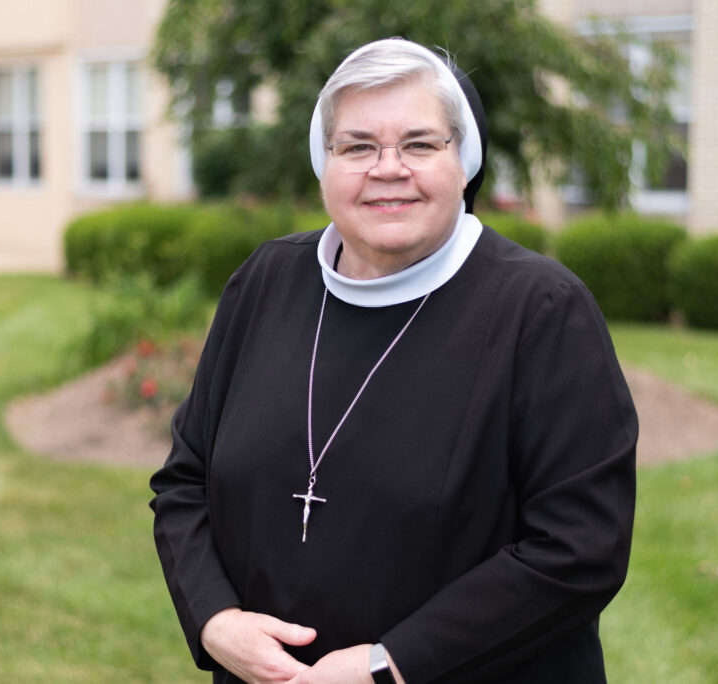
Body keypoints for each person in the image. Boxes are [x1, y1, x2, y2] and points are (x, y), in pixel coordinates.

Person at [150, 38, 637, 683]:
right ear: (323, 165)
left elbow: (581, 549)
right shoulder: (267, 281)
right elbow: (184, 482)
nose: (388, 167)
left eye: (419, 143)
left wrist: (392, 665)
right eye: (357, 146)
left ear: (463, 161)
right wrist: (214, 620)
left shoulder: (540, 310)